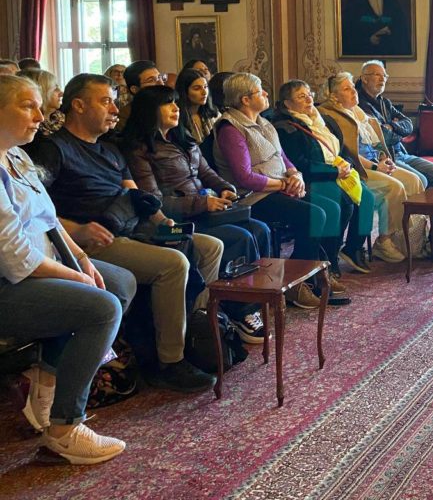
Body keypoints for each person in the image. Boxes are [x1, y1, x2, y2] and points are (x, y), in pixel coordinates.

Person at [24, 73, 218, 393]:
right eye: (105, 102)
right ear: (78, 105)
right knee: (174, 264)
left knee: (209, 246)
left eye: (115, 102)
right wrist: (77, 229)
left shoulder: (110, 150)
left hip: (131, 227)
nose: (115, 109)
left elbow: (135, 195)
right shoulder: (53, 149)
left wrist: (164, 222)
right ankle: (170, 362)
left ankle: (192, 331)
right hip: (91, 240)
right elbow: (35, 209)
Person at [0, 74, 136, 464]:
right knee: (102, 306)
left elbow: (49, 219)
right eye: (28, 106)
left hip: (44, 264)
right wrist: (76, 277)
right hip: (9, 284)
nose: (41, 115)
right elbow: (16, 259)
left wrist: (82, 257)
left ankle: (48, 378)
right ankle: (64, 428)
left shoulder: (17, 155)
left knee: (119, 282)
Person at [120, 85, 272, 344]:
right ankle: (238, 311)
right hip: (178, 220)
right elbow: (153, 201)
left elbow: (206, 173)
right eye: (168, 104)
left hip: (205, 209)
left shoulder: (183, 139)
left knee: (260, 229)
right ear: (149, 111)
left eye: (176, 103)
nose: (176, 108)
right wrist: (202, 204)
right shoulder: (140, 149)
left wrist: (226, 188)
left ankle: (252, 301)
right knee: (240, 237)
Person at [212, 73, 350, 308]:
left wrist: (295, 175)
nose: (266, 94)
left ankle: (316, 271)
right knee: (314, 214)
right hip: (253, 198)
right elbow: (243, 176)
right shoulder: (230, 128)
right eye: (260, 91)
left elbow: (283, 158)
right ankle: (296, 283)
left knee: (333, 206)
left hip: (279, 188)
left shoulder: (263, 122)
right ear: (245, 99)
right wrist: (283, 184)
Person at [319, 72, 426, 263]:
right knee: (394, 188)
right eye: (346, 88)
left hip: (376, 163)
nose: (353, 91)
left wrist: (385, 158)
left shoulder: (358, 112)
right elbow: (348, 153)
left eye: (353, 86)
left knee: (414, 180)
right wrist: (377, 166)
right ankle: (383, 242)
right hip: (359, 168)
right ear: (334, 96)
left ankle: (411, 239)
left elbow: (376, 144)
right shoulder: (331, 116)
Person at [271, 80, 374, 275]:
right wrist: (334, 172)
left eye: (309, 93)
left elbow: (341, 147)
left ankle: (353, 248)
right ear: (287, 104)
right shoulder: (286, 127)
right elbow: (301, 164)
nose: (309, 98)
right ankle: (328, 256)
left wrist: (346, 163)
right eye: (301, 96)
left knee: (367, 198)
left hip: (335, 170)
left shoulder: (321, 119)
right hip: (313, 177)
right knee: (343, 203)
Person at [357, 59, 433, 189]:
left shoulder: (385, 103)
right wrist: (396, 132)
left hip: (401, 153)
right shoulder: (360, 104)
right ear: (364, 79)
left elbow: (408, 124)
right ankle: (414, 206)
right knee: (421, 180)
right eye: (377, 75)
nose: (382, 79)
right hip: (387, 157)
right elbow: (382, 137)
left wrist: (392, 126)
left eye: (384, 76)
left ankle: (425, 206)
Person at [341, 0, 411, 57]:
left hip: (388, 49)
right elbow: (351, 30)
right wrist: (368, 39)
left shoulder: (391, 0)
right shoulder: (355, 2)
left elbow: (400, 24)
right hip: (365, 50)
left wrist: (390, 30)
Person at [175, 68, 219, 144]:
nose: (204, 92)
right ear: (184, 91)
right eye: (197, 88)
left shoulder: (213, 114)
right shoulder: (177, 118)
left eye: (205, 87)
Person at [18, 68, 64, 138]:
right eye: (55, 89)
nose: (61, 93)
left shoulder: (64, 119)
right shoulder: (30, 131)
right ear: (40, 93)